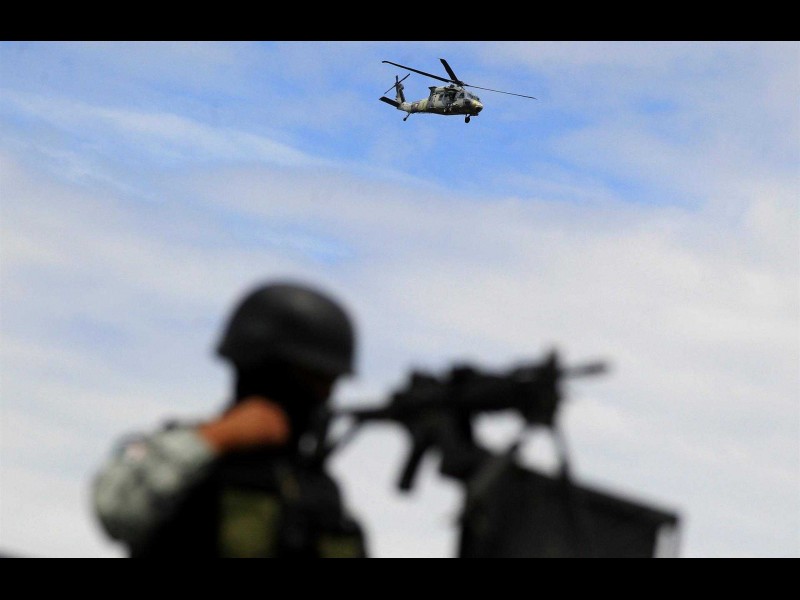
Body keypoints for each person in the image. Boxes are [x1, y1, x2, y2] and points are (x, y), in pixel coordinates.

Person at [92, 280, 368, 557]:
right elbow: (116, 509)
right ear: (262, 369)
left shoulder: (315, 489)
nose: (323, 396)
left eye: (329, 383)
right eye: (313, 379)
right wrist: (217, 437)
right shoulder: (181, 457)